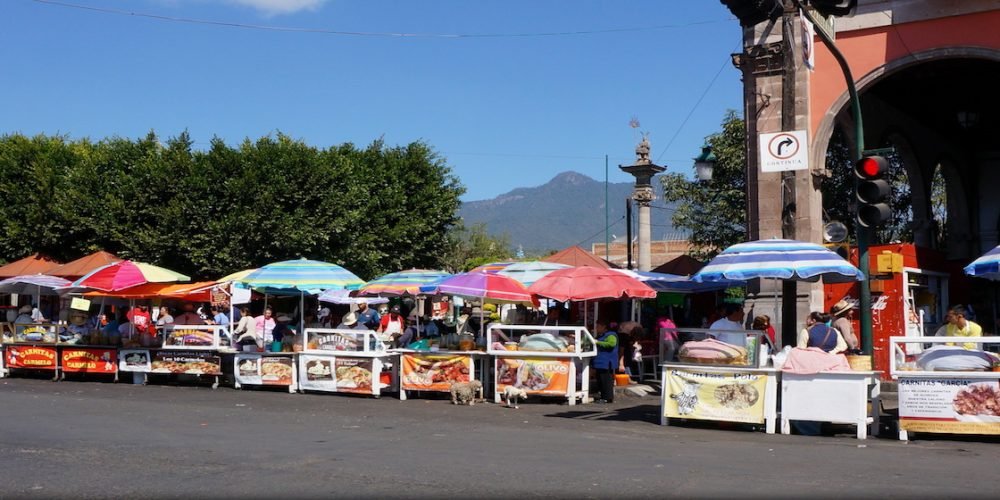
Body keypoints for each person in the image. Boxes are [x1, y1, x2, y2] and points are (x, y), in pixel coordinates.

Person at [592, 320, 618, 404]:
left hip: (606, 362)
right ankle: (603, 396)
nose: (596, 328)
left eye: (598, 326)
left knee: (606, 380)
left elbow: (611, 344)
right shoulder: (599, 336)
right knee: (600, 380)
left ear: (604, 326)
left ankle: (607, 398)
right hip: (599, 362)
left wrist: (598, 342)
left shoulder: (611, 335)